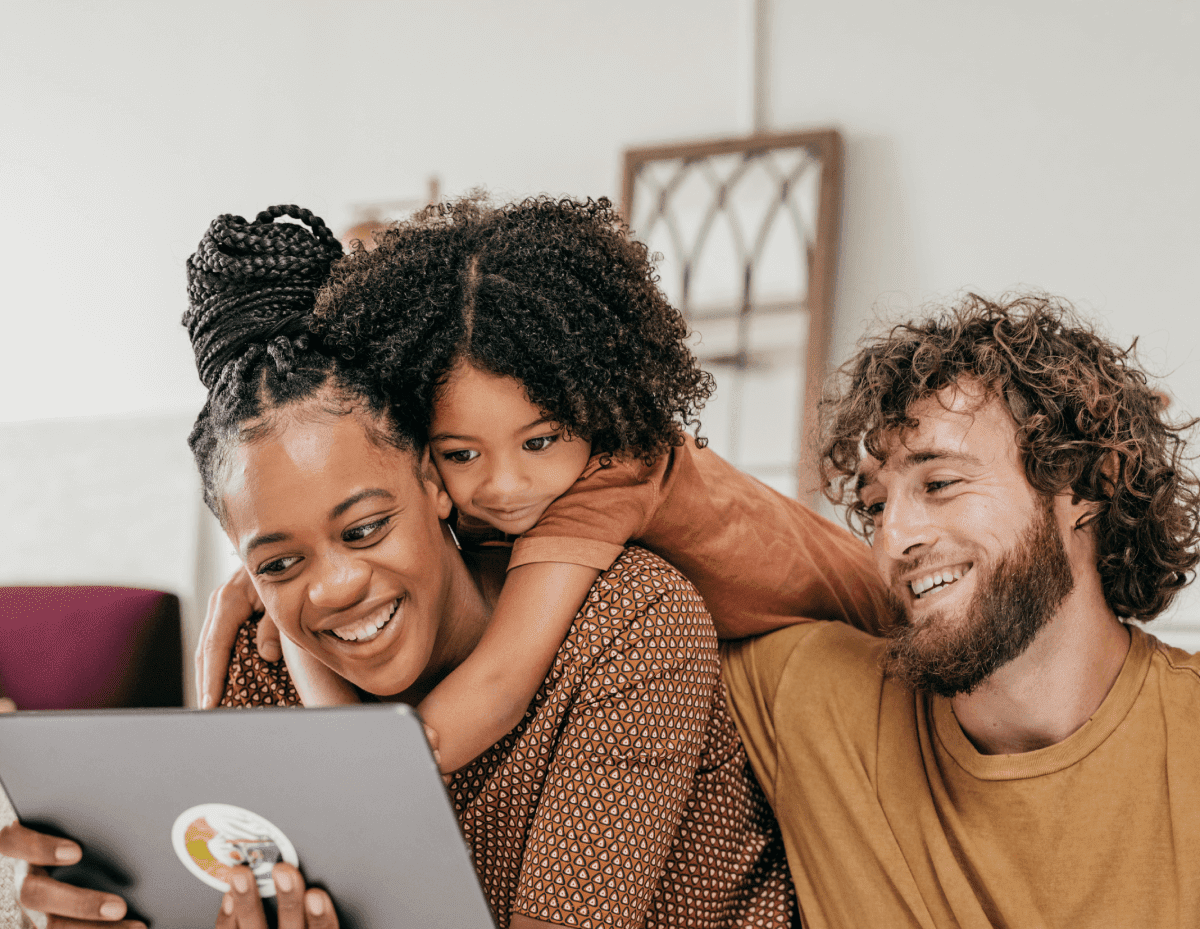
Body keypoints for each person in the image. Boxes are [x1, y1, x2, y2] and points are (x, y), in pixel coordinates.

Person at [5, 205, 882, 929]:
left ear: (429, 482)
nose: (336, 585)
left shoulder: (630, 611)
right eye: (279, 561)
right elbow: (237, 913)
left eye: (365, 527)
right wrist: (113, 926)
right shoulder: (269, 647)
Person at [721, 293, 1200, 929]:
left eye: (941, 482)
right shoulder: (822, 706)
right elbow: (645, 516)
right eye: (875, 503)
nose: (897, 537)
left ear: (1079, 485)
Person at [196, 195, 890, 775]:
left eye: (539, 440)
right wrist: (269, 581)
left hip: (881, 632)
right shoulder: (525, 486)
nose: (503, 486)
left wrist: (350, 777)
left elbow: (496, 690)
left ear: (594, 403)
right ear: (424, 458)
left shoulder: (608, 477)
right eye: (460, 453)